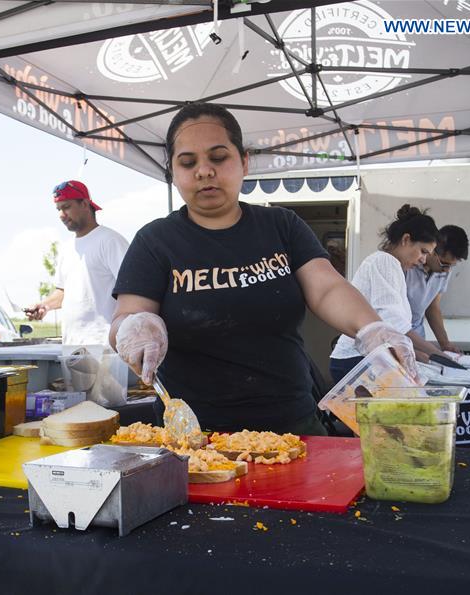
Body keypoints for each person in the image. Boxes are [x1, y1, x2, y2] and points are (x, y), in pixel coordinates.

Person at [108, 102, 417, 436]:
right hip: (195, 436)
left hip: (293, 425)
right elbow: (125, 318)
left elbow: (326, 288)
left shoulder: (281, 226)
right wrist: (135, 327)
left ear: (243, 160)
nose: (204, 171)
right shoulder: (155, 241)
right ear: (174, 172)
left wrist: (371, 328)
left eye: (218, 157)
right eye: (188, 162)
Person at [330, 205, 443, 383]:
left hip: (363, 358)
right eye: (423, 251)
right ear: (406, 239)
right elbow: (394, 325)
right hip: (356, 360)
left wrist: (421, 352)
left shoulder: (391, 265)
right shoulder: (384, 261)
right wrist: (438, 354)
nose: (423, 260)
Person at [24, 180, 129, 345]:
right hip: (72, 345)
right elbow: (64, 292)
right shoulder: (66, 248)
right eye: (58, 209)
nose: (61, 215)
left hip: (105, 346)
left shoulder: (110, 241)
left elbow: (133, 289)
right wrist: (44, 305)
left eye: (66, 207)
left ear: (85, 204)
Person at [406, 224, 469, 355]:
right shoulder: (408, 265)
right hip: (396, 335)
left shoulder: (444, 270)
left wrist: (445, 344)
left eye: (452, 266)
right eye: (444, 264)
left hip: (417, 337)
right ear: (433, 250)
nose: (447, 270)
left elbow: (432, 306)